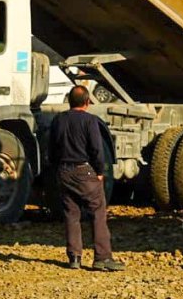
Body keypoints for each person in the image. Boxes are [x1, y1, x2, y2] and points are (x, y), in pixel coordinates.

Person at [48, 85, 124, 271]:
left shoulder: (58, 120)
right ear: (88, 102)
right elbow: (97, 149)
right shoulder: (90, 121)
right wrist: (99, 171)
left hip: (64, 170)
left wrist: (58, 168)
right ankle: (102, 257)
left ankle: (74, 257)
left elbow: (52, 148)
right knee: (98, 210)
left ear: (69, 101)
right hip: (84, 170)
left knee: (71, 213)